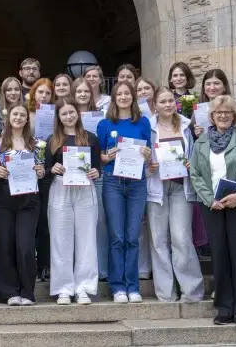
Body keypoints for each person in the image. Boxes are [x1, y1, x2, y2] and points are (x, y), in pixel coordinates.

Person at [189, 95, 236, 326]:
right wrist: (210, 199)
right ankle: (224, 308)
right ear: (212, 115)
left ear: (234, 115)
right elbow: (196, 174)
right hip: (213, 206)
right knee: (219, 257)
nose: (223, 115)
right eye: (219, 112)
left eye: (227, 112)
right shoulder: (201, 142)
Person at [146, 87, 204, 302]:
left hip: (181, 187)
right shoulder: (148, 127)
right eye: (163, 101)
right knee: (159, 241)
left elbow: (195, 155)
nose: (168, 105)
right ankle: (165, 293)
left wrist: (191, 165)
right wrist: (148, 167)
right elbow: (142, 156)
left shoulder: (187, 126)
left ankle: (191, 291)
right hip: (157, 188)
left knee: (181, 238)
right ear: (155, 106)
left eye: (171, 100)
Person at [97, 81, 152, 304]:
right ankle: (117, 286)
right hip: (112, 182)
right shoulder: (104, 124)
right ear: (113, 97)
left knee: (132, 236)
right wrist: (107, 156)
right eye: (119, 94)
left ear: (133, 97)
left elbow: (148, 154)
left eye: (127, 93)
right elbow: (100, 157)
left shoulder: (143, 122)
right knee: (117, 236)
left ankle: (133, 286)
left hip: (137, 182)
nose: (123, 97)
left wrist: (148, 155)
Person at [0, 103, 45, 305]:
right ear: (8, 117)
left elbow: (42, 169)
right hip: (3, 197)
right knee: (3, 245)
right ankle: (9, 292)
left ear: (27, 119)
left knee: (25, 245)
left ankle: (27, 291)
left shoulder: (37, 144)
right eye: (15, 114)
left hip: (29, 199)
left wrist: (40, 171)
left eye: (22, 115)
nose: (19, 117)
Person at [45, 97, 101, 305]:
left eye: (72, 112)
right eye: (64, 114)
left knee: (86, 239)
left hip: (86, 189)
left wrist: (96, 171)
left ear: (78, 114)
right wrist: (53, 169)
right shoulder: (53, 140)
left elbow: (97, 167)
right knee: (61, 239)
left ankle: (84, 287)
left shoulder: (90, 138)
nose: (69, 116)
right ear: (58, 117)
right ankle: (63, 288)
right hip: (61, 189)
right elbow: (47, 168)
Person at [72, 77, 107, 282]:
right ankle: (78, 269)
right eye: (79, 91)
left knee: (99, 222)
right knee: (76, 224)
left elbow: (102, 146)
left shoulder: (99, 117)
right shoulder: (65, 115)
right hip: (73, 176)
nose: (83, 94)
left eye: (86, 91)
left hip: (95, 174)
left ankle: (101, 270)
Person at [26, 77, 54, 281]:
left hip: (47, 171)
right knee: (29, 221)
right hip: (27, 172)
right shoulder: (25, 114)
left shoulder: (55, 116)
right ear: (33, 93)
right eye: (40, 92)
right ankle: (30, 264)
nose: (43, 96)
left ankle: (44, 264)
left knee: (44, 220)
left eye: (47, 93)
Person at [134, 76, 157, 279]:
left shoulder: (163, 112)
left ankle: (157, 267)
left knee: (158, 228)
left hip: (163, 175)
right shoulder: (135, 117)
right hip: (138, 172)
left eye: (146, 88)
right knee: (141, 223)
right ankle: (142, 267)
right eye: (139, 89)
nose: (143, 92)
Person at [194, 69, 236, 136]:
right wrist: (196, 135)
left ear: (224, 87)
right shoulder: (198, 111)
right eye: (208, 84)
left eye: (216, 83)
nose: (212, 87)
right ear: (204, 88)